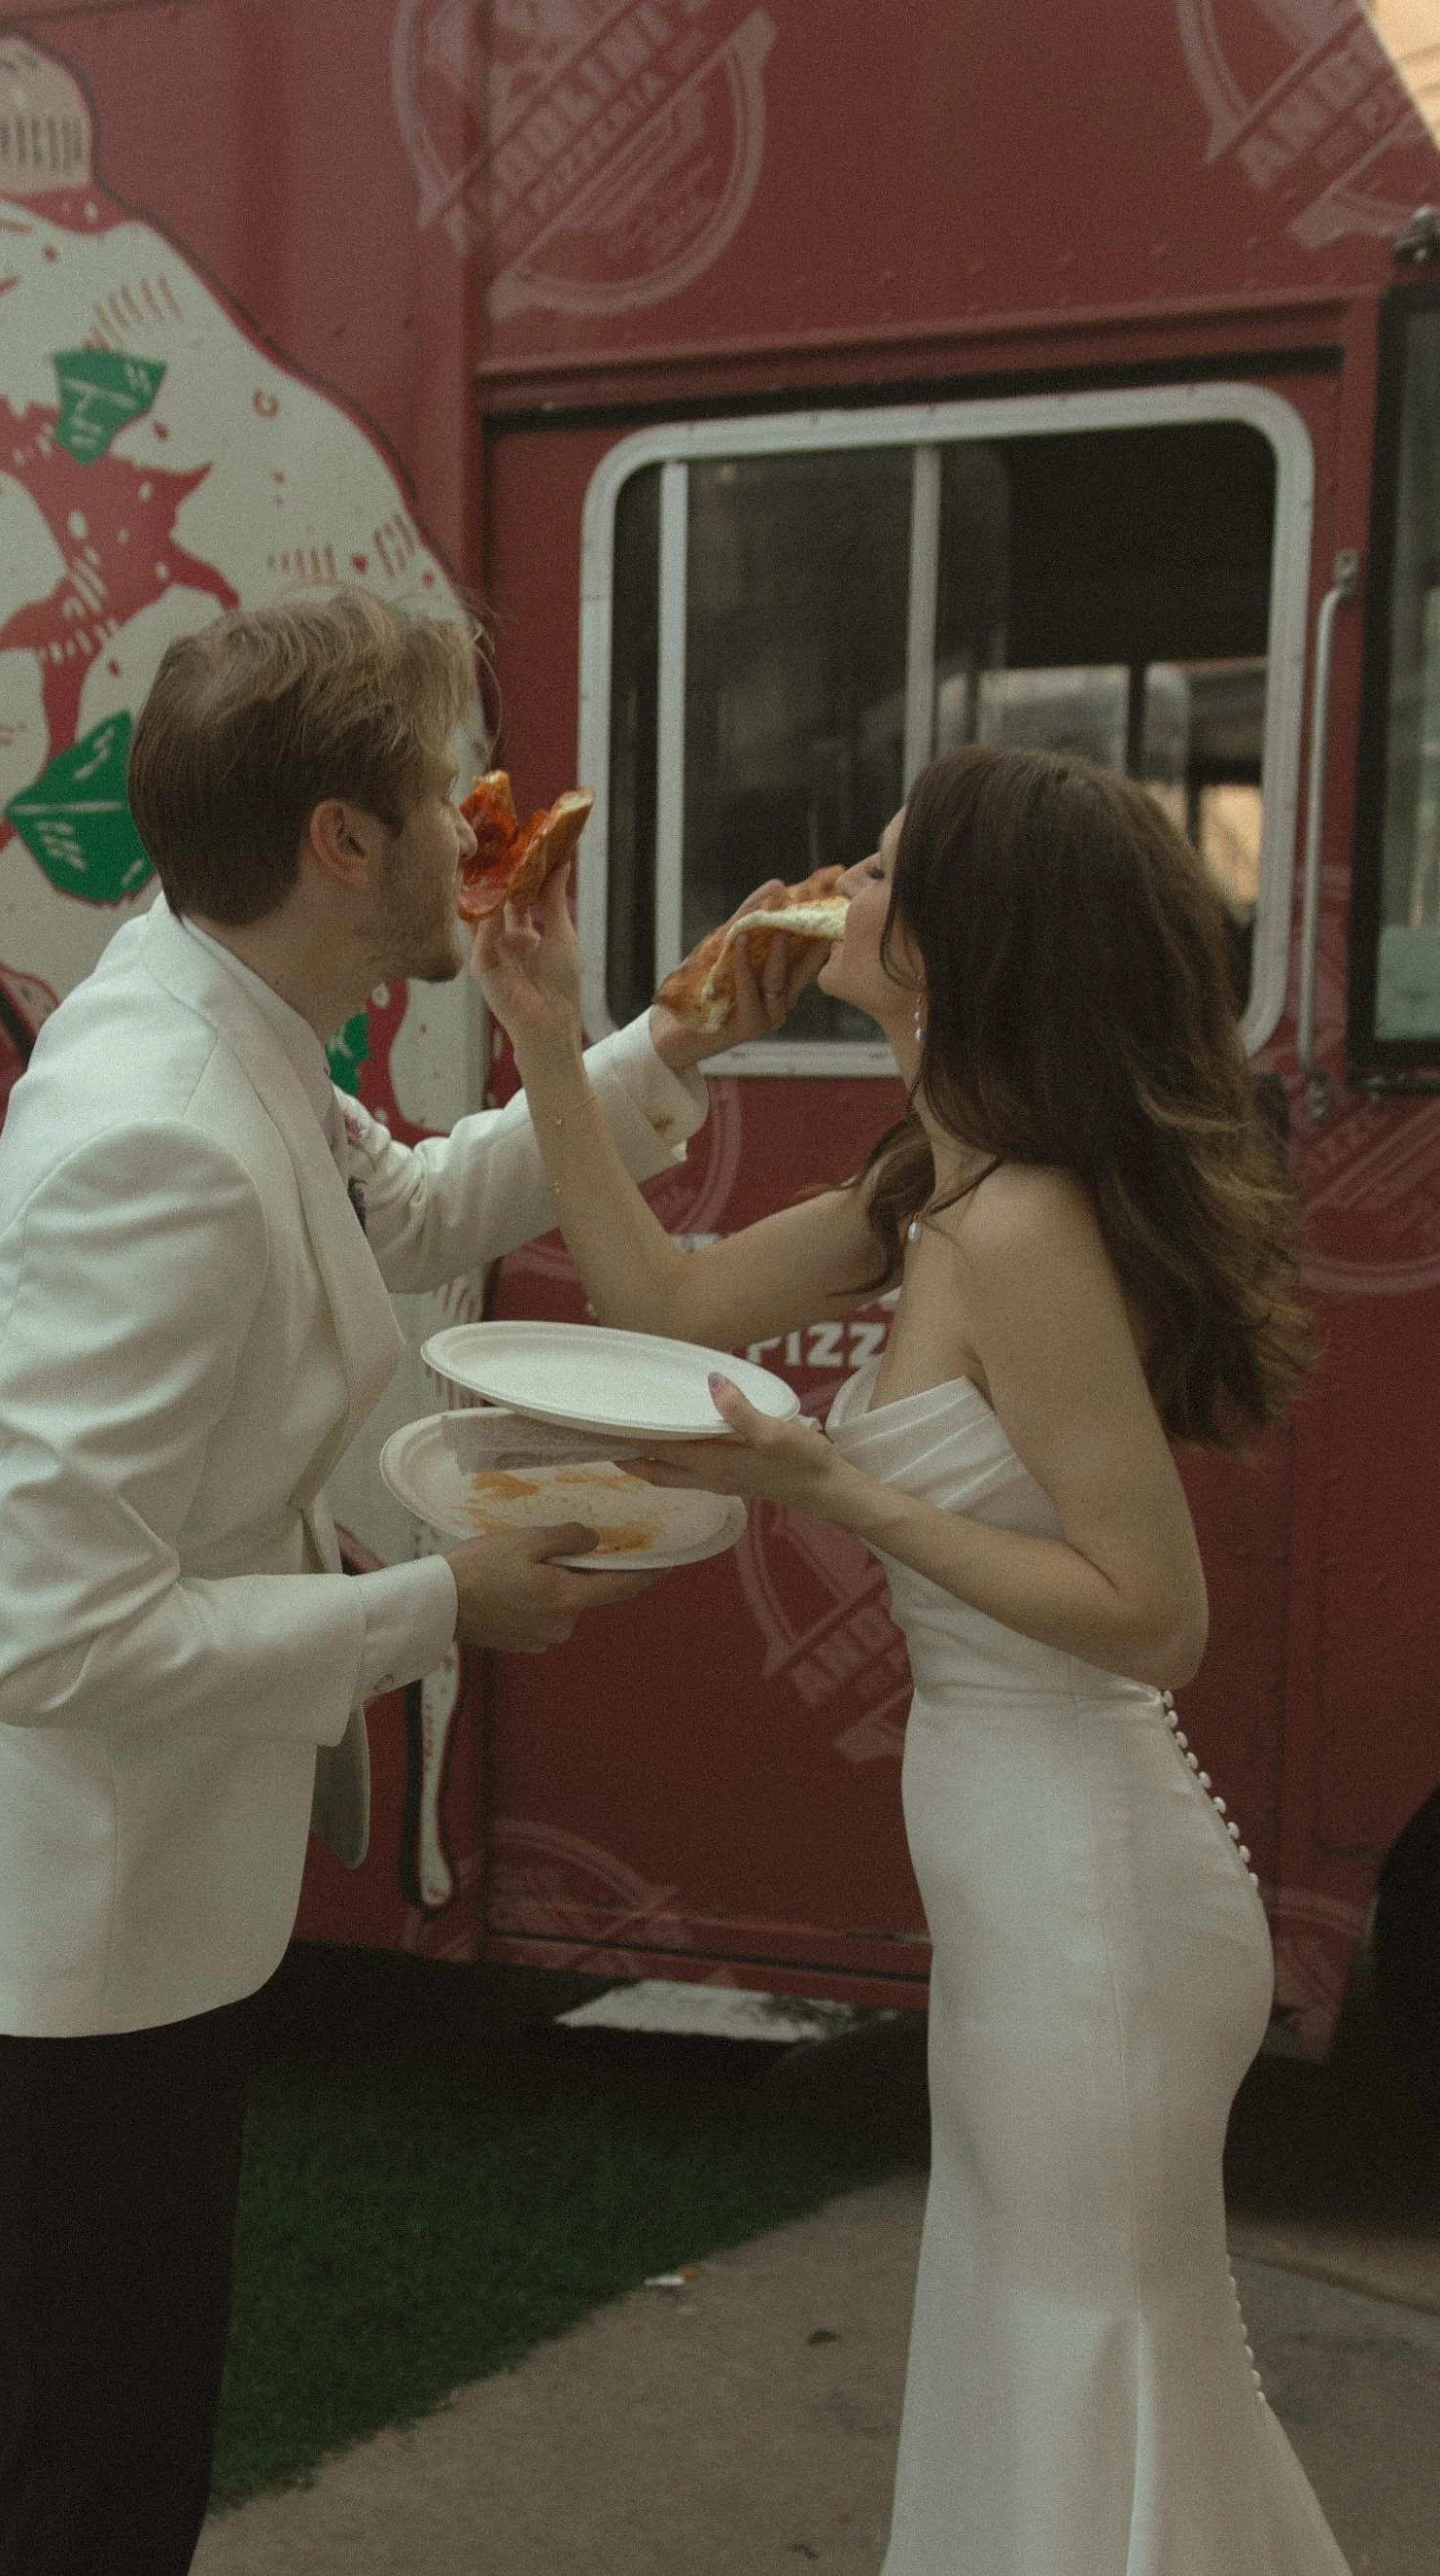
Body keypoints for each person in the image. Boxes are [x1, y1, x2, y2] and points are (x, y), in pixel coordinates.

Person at [0, 589, 778, 2576]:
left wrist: (663, 1038)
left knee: (119, 2486)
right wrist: (444, 1606)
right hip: (53, 1958)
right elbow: (58, 1631)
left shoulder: (219, 1005)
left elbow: (411, 1204)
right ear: (343, 843)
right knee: (89, 2507)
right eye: (441, 790)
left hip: (130, 1923)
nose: (475, 822)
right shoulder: (153, 1130)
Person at [474, 742, 1350, 2576]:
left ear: (953, 944)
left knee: (1085, 2356)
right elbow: (660, 1298)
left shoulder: (1018, 1223)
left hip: (1089, 1885)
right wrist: (548, 1029)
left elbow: (1152, 1609)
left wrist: (831, 1483)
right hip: (1024, 1867)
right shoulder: (927, 1187)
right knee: (1059, 2345)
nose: (836, 888)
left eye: (876, 870)